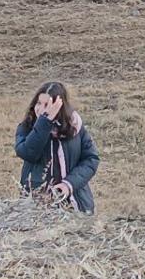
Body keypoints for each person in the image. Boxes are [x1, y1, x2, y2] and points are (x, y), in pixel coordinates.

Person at [15, 82, 99, 213]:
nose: (41, 109)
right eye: (38, 103)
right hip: (38, 206)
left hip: (77, 202)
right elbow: (28, 153)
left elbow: (91, 159)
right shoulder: (27, 127)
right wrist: (45, 122)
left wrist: (69, 185)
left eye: (47, 105)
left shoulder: (75, 127)